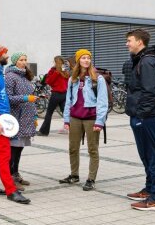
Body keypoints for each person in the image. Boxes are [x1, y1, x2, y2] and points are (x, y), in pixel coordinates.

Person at [0, 44, 30, 204]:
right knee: (4, 154)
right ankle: (11, 190)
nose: (7, 57)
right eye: (5, 54)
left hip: (1, 117)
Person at [124, 29, 155, 211]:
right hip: (140, 114)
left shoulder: (148, 62)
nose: (127, 44)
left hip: (147, 116)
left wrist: (141, 115)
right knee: (145, 154)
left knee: (152, 154)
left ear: (140, 42)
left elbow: (150, 92)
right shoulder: (141, 60)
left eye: (129, 40)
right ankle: (149, 189)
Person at [59, 49, 109, 191]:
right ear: (78, 61)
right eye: (83, 58)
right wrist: (66, 120)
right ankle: (74, 175)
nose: (86, 60)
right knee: (72, 148)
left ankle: (91, 179)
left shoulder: (97, 79)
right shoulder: (73, 79)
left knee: (92, 149)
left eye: (88, 58)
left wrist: (100, 121)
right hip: (75, 117)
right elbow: (68, 100)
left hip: (91, 118)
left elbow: (102, 102)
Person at [5, 52, 38, 189]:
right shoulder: (10, 77)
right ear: (14, 62)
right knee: (13, 149)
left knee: (19, 148)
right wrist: (25, 98)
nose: (24, 62)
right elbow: (8, 98)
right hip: (16, 118)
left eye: (25, 59)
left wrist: (35, 116)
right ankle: (10, 177)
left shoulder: (25, 76)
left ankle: (16, 173)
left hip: (27, 118)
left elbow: (31, 97)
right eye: (21, 60)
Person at [38, 56, 70, 136]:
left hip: (56, 94)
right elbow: (68, 81)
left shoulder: (53, 70)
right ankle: (75, 130)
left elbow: (49, 81)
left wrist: (55, 73)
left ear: (55, 62)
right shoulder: (65, 70)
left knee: (49, 113)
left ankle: (44, 131)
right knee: (66, 113)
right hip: (64, 94)